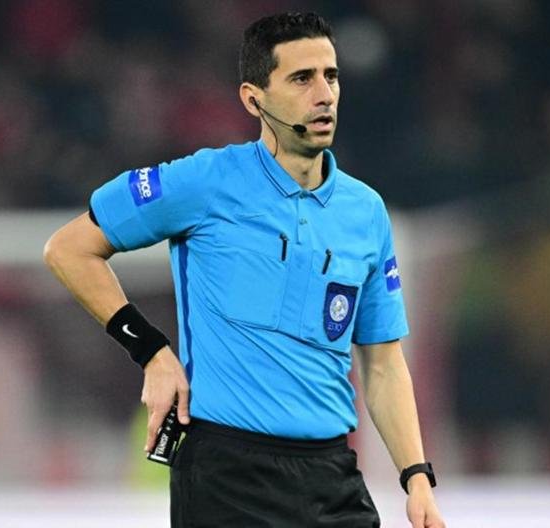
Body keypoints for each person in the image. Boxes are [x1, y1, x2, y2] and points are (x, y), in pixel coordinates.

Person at [44, 12, 445, 528]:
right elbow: (69, 249)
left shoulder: (365, 212)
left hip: (330, 477)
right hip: (226, 478)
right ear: (254, 99)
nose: (324, 94)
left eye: (331, 75)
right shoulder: (204, 182)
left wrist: (416, 479)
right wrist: (152, 353)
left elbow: (384, 365)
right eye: (302, 79)